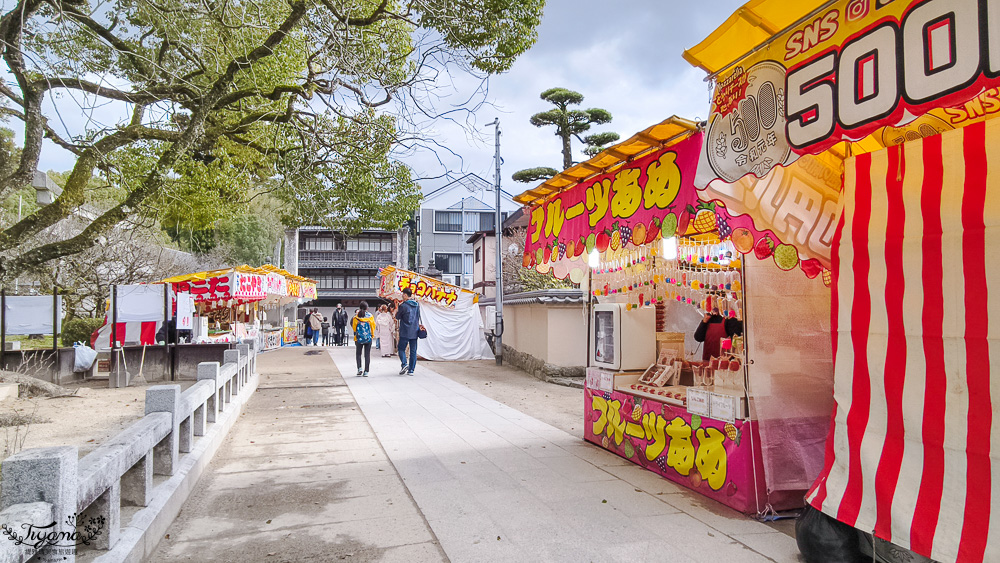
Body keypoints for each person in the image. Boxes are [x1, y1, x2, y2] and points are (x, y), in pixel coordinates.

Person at [395, 288, 421, 375]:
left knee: (401, 348)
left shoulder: (403, 306)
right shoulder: (417, 305)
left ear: (405, 295)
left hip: (405, 330)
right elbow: (418, 316)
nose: (402, 296)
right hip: (415, 330)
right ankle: (411, 370)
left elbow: (398, 317)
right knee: (413, 351)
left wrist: (397, 310)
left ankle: (404, 364)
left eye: (403, 294)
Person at [351, 302, 376, 376]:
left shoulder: (356, 317)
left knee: (358, 354)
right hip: (368, 337)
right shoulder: (370, 316)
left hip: (358, 338)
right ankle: (366, 371)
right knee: (367, 354)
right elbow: (373, 327)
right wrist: (372, 335)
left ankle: (359, 368)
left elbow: (354, 328)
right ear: (367, 308)